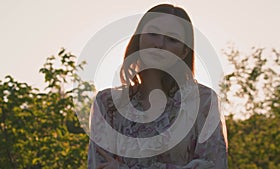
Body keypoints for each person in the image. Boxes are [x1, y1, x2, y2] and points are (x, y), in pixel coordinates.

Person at [88, 4, 228, 169]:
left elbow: (214, 165)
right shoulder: (108, 104)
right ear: (139, 38)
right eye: (153, 34)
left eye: (172, 39)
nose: (160, 44)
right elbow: (98, 165)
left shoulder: (203, 102)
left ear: (184, 52)